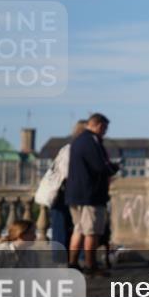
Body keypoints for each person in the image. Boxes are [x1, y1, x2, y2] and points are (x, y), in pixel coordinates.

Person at [66, 113, 119, 276]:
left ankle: (73, 263)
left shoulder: (78, 141)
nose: (105, 132)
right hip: (90, 194)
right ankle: (91, 265)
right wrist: (113, 168)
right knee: (92, 232)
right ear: (99, 125)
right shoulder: (92, 141)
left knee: (78, 230)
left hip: (75, 194)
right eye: (105, 129)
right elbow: (99, 166)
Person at [45, 120, 87, 261]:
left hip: (68, 193)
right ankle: (65, 259)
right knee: (64, 228)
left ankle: (71, 258)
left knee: (71, 227)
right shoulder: (70, 150)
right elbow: (66, 173)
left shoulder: (71, 149)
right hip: (63, 194)